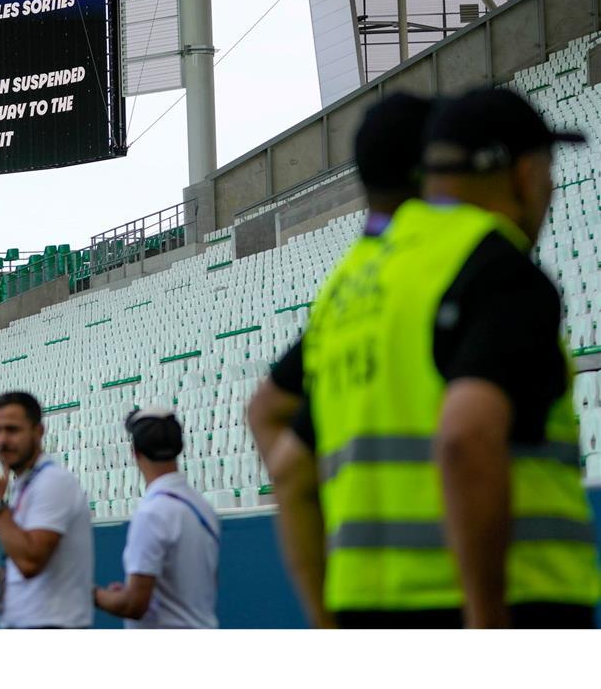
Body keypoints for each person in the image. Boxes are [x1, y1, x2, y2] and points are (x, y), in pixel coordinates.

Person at [286, 88, 599, 627]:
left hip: (366, 610)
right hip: (514, 601)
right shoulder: (495, 263)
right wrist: (486, 623)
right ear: (525, 174)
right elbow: (465, 436)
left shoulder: (352, 286)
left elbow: (291, 467)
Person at [246, 92, 434, 627]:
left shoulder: (343, 289)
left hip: (357, 588)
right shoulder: (455, 267)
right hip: (447, 591)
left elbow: (266, 418)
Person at [0, 391, 94, 628]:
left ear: (38, 431)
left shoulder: (52, 482)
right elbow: (32, 561)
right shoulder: (27, 483)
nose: (2, 440)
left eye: (12, 430)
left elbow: (31, 563)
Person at [94, 409, 219, 628]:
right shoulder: (202, 506)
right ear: (179, 447)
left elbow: (134, 605)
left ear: (135, 452)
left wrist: (92, 594)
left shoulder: (152, 513)